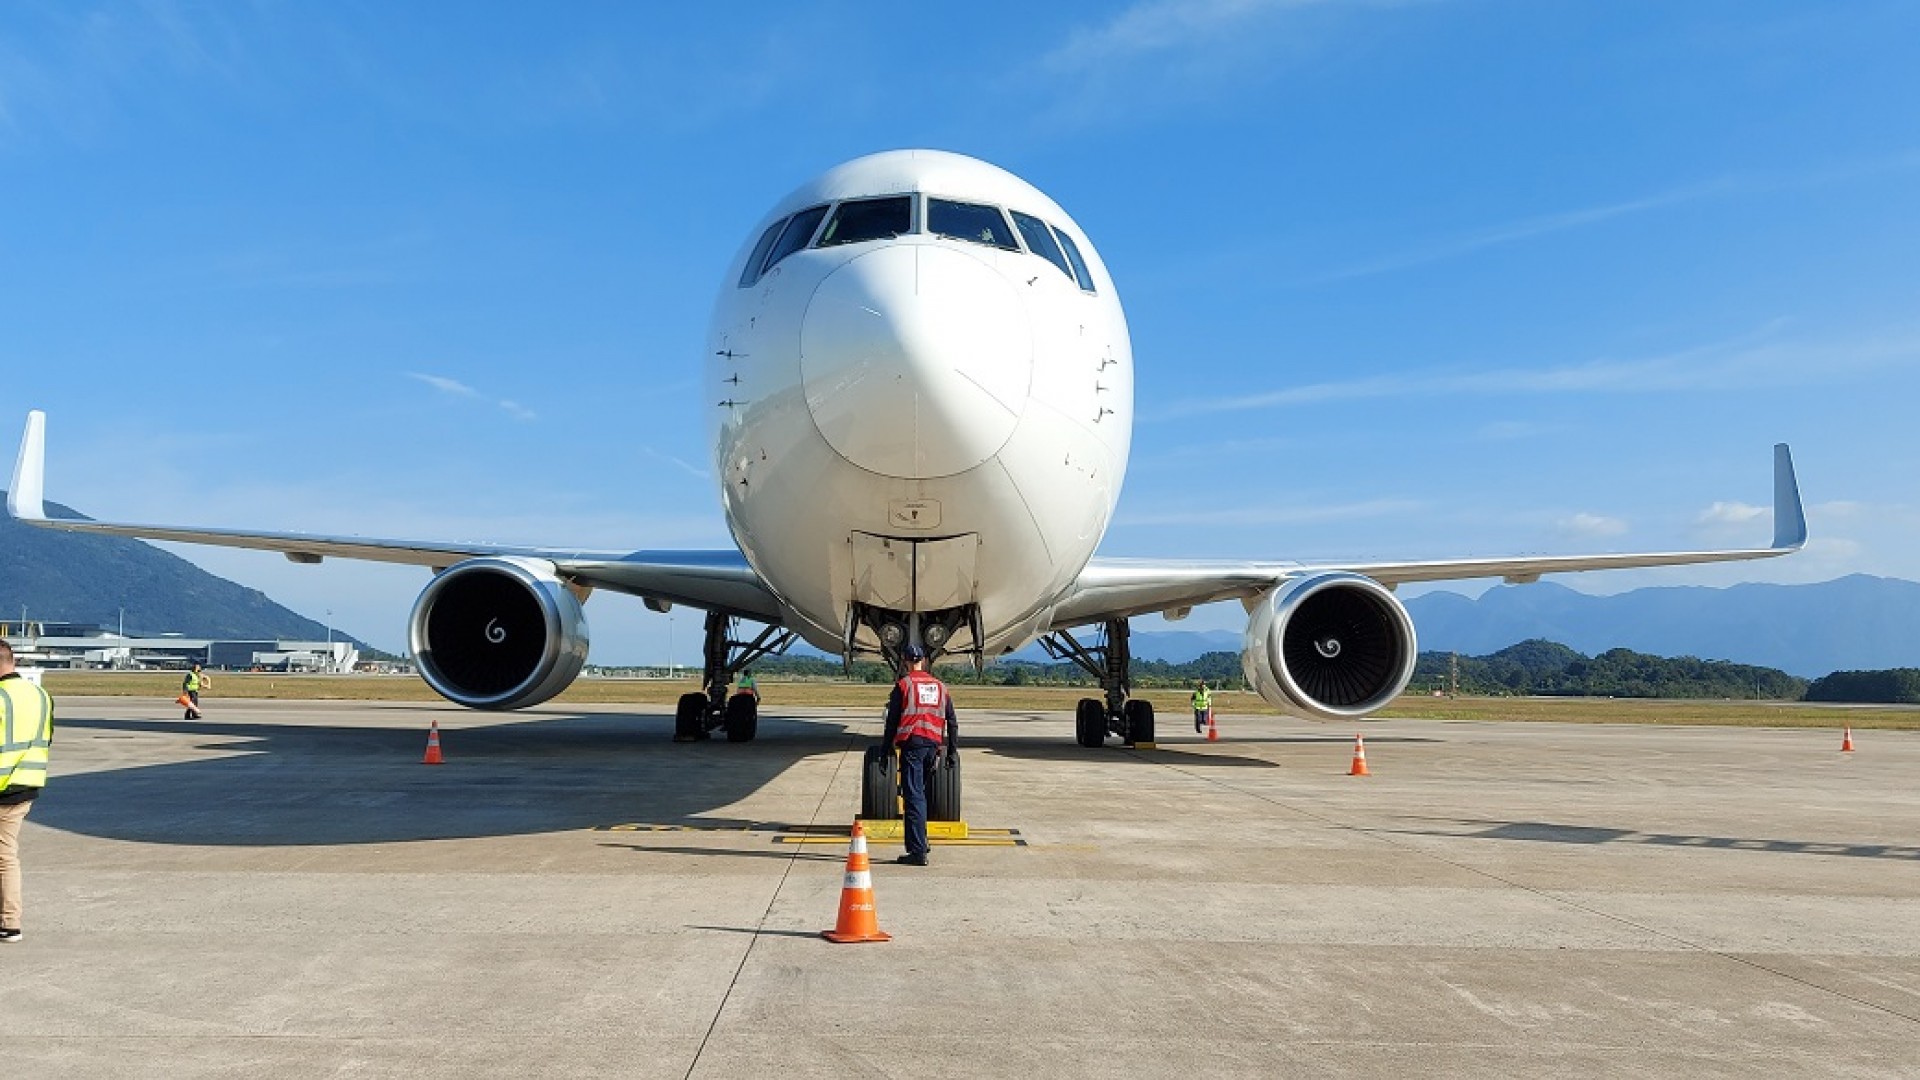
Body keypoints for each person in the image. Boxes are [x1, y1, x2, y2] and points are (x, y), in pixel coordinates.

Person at [880, 644, 957, 867]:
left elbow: (892, 721)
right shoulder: (941, 687)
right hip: (933, 747)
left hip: (912, 746)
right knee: (921, 795)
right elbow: (951, 722)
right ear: (924, 660)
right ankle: (922, 841)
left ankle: (917, 851)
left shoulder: (903, 685)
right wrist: (951, 751)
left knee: (913, 797)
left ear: (904, 660)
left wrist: (885, 749)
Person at [0, 640, 55, 943]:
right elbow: (46, 738)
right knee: (6, 855)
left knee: (4, 858)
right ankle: (8, 921)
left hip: (2, 787)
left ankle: (10, 922)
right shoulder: (41, 696)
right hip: (26, 785)